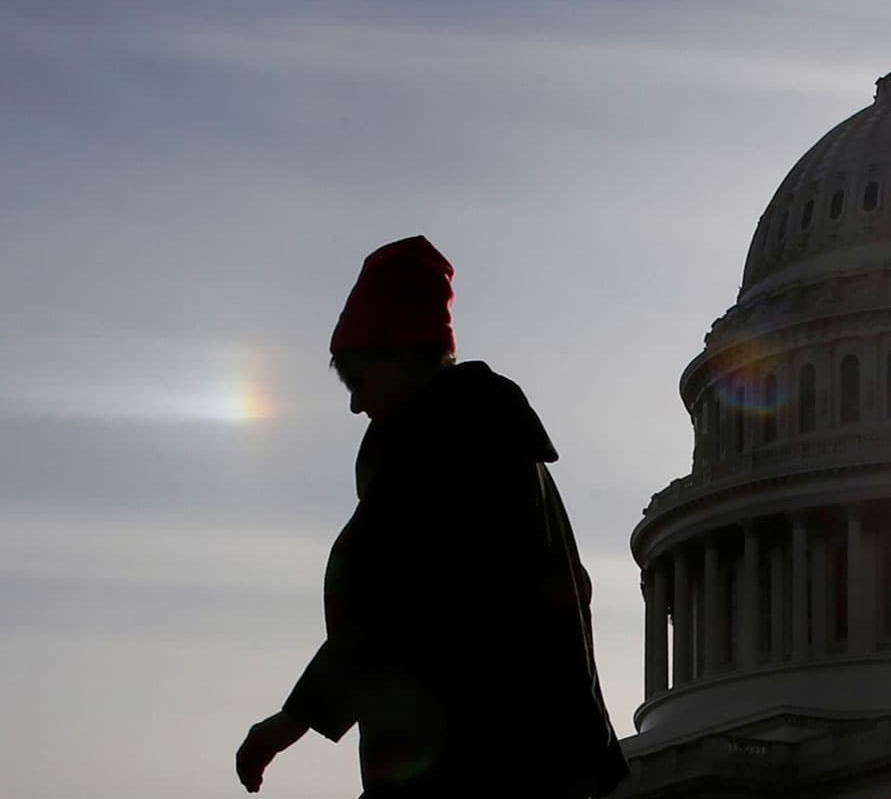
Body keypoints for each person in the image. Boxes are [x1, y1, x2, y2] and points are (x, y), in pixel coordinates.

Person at [236, 236, 628, 797]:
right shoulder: (499, 442)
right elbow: (573, 601)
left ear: (396, 353)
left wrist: (292, 720)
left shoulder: (443, 445)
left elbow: (392, 606)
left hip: (465, 762)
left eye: (357, 380)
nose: (354, 405)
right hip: (526, 759)